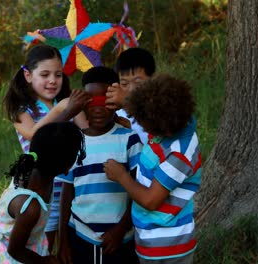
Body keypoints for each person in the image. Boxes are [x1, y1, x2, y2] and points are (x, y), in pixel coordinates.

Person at [104, 73, 201, 264]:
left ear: (165, 131)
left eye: (146, 126)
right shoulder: (178, 117)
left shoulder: (179, 154)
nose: (144, 129)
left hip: (166, 246)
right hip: (151, 236)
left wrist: (122, 176)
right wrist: (128, 102)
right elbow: (156, 106)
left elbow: (150, 201)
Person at [3, 44, 91, 251]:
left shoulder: (66, 102)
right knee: (42, 243)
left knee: (67, 242)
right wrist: (63, 110)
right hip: (39, 187)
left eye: (58, 74)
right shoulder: (22, 109)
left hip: (71, 185)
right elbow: (34, 136)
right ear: (27, 75)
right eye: (45, 74)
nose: (52, 80)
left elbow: (86, 131)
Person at [57, 66, 143, 264]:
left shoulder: (129, 139)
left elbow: (139, 189)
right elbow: (67, 192)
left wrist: (122, 228)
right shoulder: (73, 142)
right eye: (91, 101)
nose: (97, 108)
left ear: (116, 101)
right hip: (79, 235)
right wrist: (63, 241)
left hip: (121, 238)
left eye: (104, 100)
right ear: (82, 104)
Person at [0, 122, 87, 264]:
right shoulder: (30, 207)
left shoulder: (34, 166)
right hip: (10, 252)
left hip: (15, 237)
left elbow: (51, 138)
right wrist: (46, 261)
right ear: (66, 167)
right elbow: (15, 250)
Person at [105, 47, 156, 144]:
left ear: (153, 79)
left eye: (138, 83)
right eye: (124, 84)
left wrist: (127, 103)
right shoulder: (117, 115)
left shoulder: (163, 107)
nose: (131, 89)